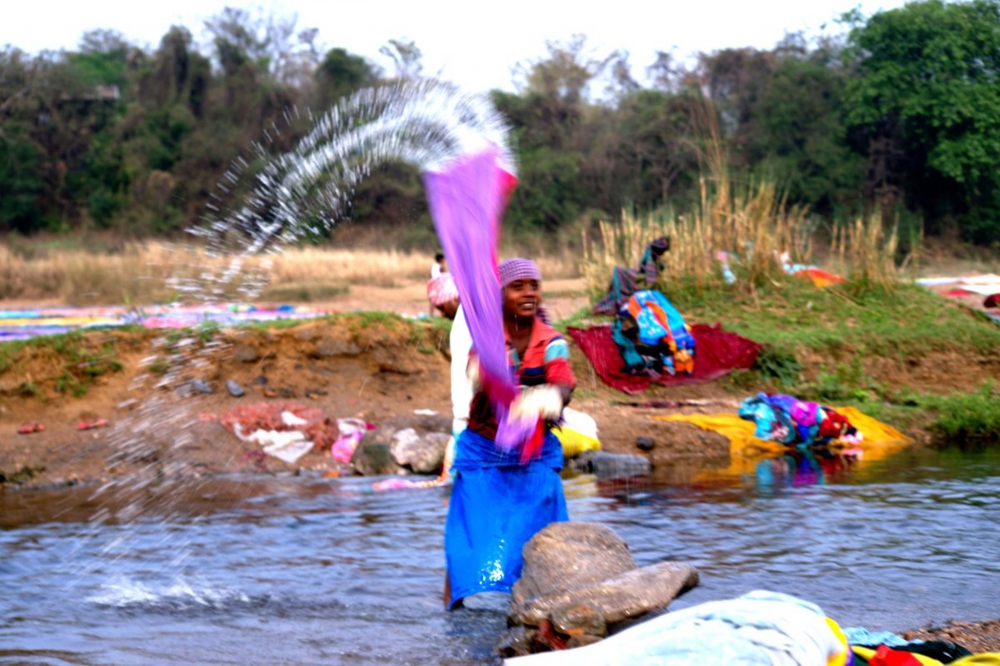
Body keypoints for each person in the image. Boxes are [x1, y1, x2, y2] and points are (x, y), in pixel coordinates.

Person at [444, 258, 575, 609]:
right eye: (518, 287)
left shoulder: (551, 341)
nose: (529, 293)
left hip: (534, 453)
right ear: (500, 295)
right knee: (469, 533)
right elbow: (479, 373)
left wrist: (547, 400)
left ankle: (544, 609)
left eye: (534, 286)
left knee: (544, 536)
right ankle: (453, 606)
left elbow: (563, 384)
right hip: (483, 450)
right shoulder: (487, 340)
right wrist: (489, 376)